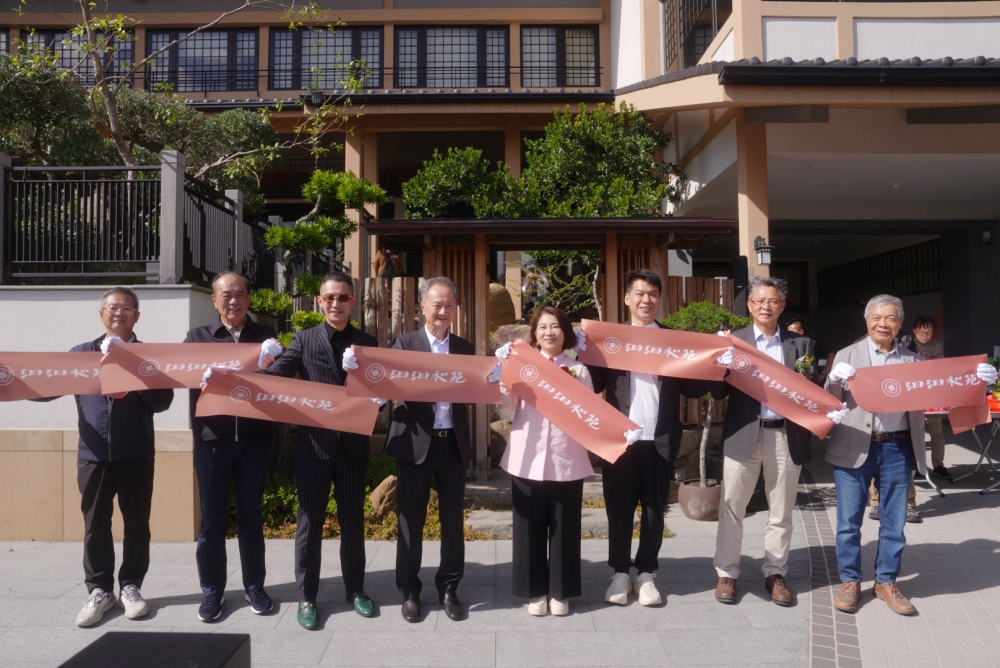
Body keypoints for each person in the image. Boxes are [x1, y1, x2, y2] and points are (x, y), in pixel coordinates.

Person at [825, 294, 996, 616]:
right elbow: (828, 401)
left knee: (894, 521)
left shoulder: (914, 362)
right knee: (848, 522)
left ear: (901, 323)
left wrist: (980, 382)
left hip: (898, 447)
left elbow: (945, 390)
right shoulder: (847, 355)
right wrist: (833, 379)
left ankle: (886, 581)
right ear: (867, 321)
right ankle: (850, 581)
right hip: (855, 445)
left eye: (891, 318)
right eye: (877, 317)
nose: (883, 324)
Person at [263, 272, 380, 629]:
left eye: (343, 297)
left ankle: (356, 589)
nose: (336, 303)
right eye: (329, 298)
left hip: (352, 447)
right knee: (309, 524)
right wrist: (239, 374)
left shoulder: (367, 342)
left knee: (353, 522)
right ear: (319, 301)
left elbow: (379, 385)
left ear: (353, 301)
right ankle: (306, 597)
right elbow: (275, 377)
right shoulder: (305, 338)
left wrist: (379, 394)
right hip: (314, 447)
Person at [587, 268, 709, 607]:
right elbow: (593, 383)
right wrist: (582, 353)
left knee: (655, 511)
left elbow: (692, 388)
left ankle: (646, 573)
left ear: (660, 300)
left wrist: (718, 365)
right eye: (640, 293)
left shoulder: (672, 340)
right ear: (627, 298)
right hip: (620, 440)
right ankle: (619, 573)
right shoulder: (611, 339)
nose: (646, 300)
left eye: (653, 294)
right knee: (619, 510)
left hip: (659, 439)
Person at [712, 278, 831, 607]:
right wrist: (720, 364)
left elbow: (809, 391)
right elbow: (718, 393)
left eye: (773, 301)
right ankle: (727, 573)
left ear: (782, 306)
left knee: (781, 510)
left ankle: (776, 572)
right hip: (744, 434)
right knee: (731, 508)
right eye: (760, 300)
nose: (766, 306)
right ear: (750, 305)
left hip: (785, 436)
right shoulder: (734, 341)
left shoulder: (801, 344)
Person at [69, 288, 174, 627]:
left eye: (127, 308)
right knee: (95, 524)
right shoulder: (81, 353)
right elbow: (46, 387)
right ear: (102, 314)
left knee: (137, 524)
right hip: (93, 453)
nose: (119, 313)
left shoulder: (149, 356)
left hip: (136, 453)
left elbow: (162, 402)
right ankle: (100, 590)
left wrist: (133, 367)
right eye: (113, 307)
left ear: (136, 317)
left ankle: (131, 586)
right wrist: (14, 377)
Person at [184, 272, 284, 622]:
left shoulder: (266, 337)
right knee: (211, 520)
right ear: (214, 300)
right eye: (226, 295)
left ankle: (255, 585)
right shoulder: (197, 339)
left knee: (251, 518)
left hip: (255, 439)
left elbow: (283, 383)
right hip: (212, 440)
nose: (234, 300)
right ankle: (212, 590)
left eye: (240, 293)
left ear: (250, 298)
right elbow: (177, 373)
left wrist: (276, 361)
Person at [384, 277, 474, 623]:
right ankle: (409, 590)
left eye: (449, 304)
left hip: (452, 443)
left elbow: (477, 388)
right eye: (437, 304)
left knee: (452, 521)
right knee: (411, 521)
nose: (443, 311)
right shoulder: (405, 344)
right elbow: (387, 384)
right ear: (422, 306)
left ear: (456, 308)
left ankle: (449, 588)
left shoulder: (465, 349)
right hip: (416, 442)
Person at [495, 306, 594, 617]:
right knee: (529, 527)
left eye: (555, 327)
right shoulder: (523, 366)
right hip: (527, 456)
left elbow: (589, 413)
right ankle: (534, 591)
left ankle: (561, 592)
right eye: (542, 327)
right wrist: (501, 374)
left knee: (565, 527)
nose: (549, 332)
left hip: (567, 456)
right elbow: (506, 404)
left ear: (565, 333)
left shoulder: (579, 370)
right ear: (534, 335)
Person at [786, 319, 834, 385]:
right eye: (788, 333)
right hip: (791, 382)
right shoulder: (787, 345)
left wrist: (823, 373)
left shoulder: (813, 343)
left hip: (811, 383)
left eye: (792, 332)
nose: (789, 335)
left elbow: (832, 356)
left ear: (801, 331)